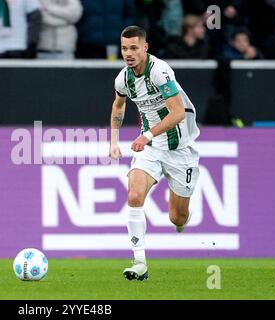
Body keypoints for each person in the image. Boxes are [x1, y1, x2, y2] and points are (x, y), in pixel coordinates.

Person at [109, 26, 200, 281]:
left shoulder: (160, 71)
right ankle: (139, 262)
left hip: (181, 149)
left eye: (134, 48)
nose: (128, 53)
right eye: (125, 48)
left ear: (145, 47)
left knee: (176, 217)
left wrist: (146, 134)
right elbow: (118, 106)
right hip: (151, 148)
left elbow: (178, 112)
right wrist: (113, 141)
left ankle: (183, 219)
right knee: (134, 194)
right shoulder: (123, 79)